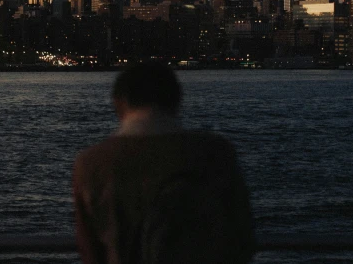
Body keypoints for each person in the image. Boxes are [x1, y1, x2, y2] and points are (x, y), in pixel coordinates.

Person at [72, 63, 256, 264]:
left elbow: (89, 249)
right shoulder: (216, 153)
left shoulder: (92, 163)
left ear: (118, 102)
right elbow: (242, 235)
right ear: (177, 100)